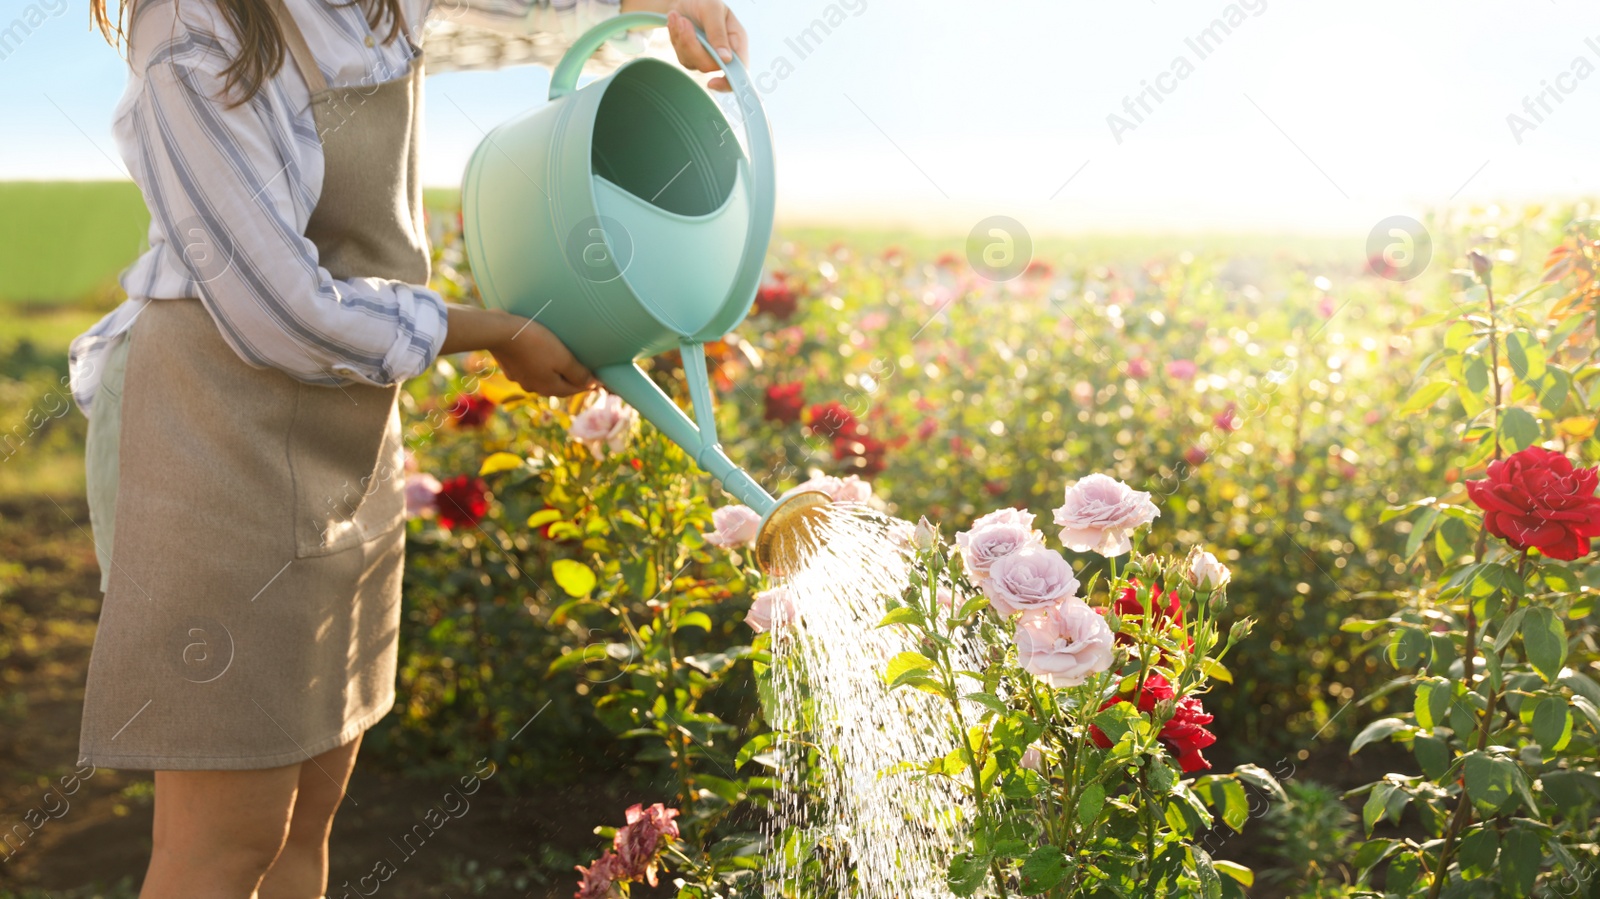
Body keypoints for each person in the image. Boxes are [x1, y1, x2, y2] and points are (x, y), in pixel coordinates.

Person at [68, 0, 748, 893]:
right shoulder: (192, 32)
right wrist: (497, 330)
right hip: (214, 431)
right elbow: (281, 311)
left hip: (347, 424)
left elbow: (511, 8)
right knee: (223, 843)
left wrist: (645, 8)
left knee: (310, 808)